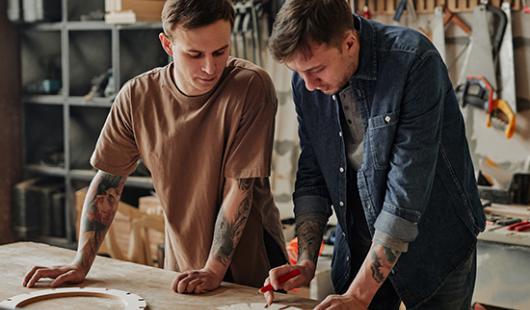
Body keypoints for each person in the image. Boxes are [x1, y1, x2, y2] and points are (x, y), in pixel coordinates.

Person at [22, 0, 287, 294]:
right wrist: (81, 263)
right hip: (182, 262)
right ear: (168, 45)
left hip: (253, 268)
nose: (210, 67)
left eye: (220, 52)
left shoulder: (251, 87)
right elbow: (108, 182)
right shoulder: (137, 97)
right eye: (195, 54)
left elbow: (239, 187)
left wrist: (213, 269)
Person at [263, 0, 485, 309]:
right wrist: (306, 261)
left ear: (349, 43)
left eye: (315, 70)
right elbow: (313, 174)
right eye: (299, 73)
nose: (309, 85)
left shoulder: (414, 62)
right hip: (359, 236)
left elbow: (405, 193)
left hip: (436, 238)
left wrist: (359, 295)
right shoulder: (307, 81)